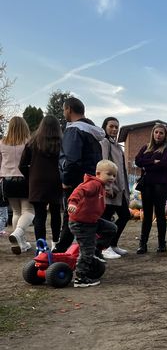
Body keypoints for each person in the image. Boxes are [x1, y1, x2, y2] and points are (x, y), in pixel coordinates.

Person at [54, 97, 105, 253]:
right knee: (89, 217)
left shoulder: (74, 130)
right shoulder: (93, 132)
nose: (64, 113)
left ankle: (60, 252)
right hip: (92, 182)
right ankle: (93, 252)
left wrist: (66, 180)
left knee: (71, 217)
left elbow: (72, 159)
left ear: (69, 109)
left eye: (64, 110)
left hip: (76, 182)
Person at [67, 160, 118, 287]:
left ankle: (96, 251)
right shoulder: (93, 184)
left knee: (111, 229)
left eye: (114, 175)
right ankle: (81, 278)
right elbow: (80, 190)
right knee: (86, 250)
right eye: (109, 174)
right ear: (98, 174)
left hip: (91, 221)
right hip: (81, 223)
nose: (112, 177)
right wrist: (73, 202)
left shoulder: (100, 186)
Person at [19, 115, 63, 246]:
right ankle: (56, 242)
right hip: (56, 181)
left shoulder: (32, 142)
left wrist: (31, 176)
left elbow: (22, 165)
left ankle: (41, 246)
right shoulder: (62, 142)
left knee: (39, 215)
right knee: (56, 213)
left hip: (37, 182)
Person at [134, 123, 167, 254]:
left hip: (161, 185)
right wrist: (152, 162)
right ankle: (142, 244)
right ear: (153, 133)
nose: (158, 135)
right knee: (146, 214)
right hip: (147, 185)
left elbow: (164, 164)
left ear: (165, 135)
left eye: (161, 133)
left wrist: (146, 165)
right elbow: (137, 161)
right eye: (156, 132)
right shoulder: (146, 147)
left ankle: (161, 244)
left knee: (160, 213)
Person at [0, 116, 34, 254]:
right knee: (29, 211)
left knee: (16, 212)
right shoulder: (29, 142)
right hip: (25, 179)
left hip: (7, 180)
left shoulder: (2, 142)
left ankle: (22, 243)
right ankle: (18, 234)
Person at [99, 117, 131, 259]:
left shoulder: (117, 145)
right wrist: (107, 187)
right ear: (105, 127)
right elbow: (103, 164)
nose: (114, 129)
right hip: (110, 188)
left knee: (125, 215)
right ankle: (103, 247)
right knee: (106, 219)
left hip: (120, 189)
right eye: (111, 126)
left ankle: (112, 244)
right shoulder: (105, 143)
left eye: (116, 127)